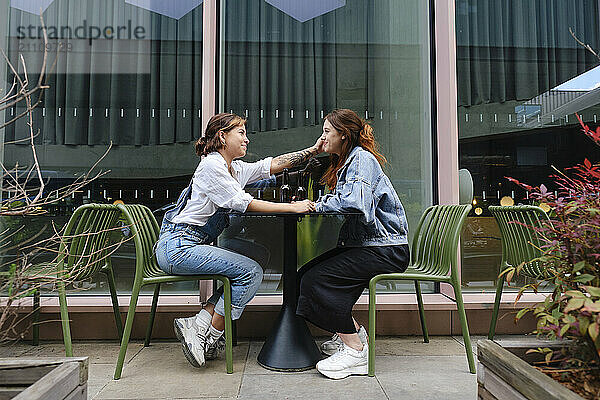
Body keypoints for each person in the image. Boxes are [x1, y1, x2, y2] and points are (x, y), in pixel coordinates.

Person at [155, 112, 323, 368]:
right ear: (222, 136)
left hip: (193, 243)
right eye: (241, 133)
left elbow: (271, 165)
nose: (247, 139)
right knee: (250, 272)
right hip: (179, 247)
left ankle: (200, 322)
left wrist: (312, 151)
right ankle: (209, 334)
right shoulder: (212, 166)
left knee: (258, 255)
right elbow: (245, 204)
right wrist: (293, 208)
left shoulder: (233, 168)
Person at [296, 108, 410, 379]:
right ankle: (353, 334)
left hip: (384, 249)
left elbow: (356, 203)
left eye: (326, 132)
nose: (322, 137)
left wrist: (313, 205)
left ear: (343, 135)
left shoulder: (361, 159)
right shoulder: (349, 160)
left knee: (316, 281)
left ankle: (355, 351)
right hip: (367, 246)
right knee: (302, 277)